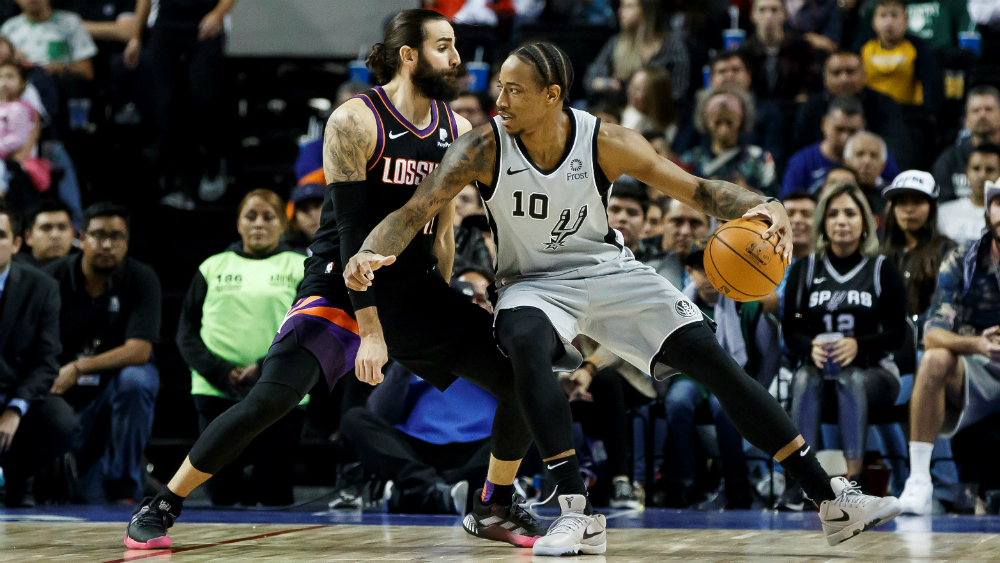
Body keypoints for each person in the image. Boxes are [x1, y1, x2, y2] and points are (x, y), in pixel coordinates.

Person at [346, 41, 901, 554]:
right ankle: (575, 509)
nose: (500, 98)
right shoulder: (482, 146)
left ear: (552, 95)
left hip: (608, 270)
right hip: (531, 283)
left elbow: (701, 192)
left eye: (515, 89)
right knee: (522, 341)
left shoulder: (604, 141)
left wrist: (766, 203)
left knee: (713, 361)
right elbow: (413, 210)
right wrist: (371, 252)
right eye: (500, 87)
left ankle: (829, 498)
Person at [124, 10, 548, 550]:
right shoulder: (355, 120)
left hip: (411, 291)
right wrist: (370, 330)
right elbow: (352, 237)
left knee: (522, 380)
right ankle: (165, 501)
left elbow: (443, 228)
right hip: (340, 285)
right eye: (444, 46)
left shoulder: (456, 129)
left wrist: (438, 306)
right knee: (269, 401)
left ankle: (494, 503)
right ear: (409, 56)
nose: (458, 58)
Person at [177, 190, 307, 507]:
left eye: (268, 217)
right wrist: (221, 374)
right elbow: (186, 332)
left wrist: (264, 368)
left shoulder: (301, 266)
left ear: (283, 224)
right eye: (251, 217)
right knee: (222, 497)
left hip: (280, 390)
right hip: (216, 391)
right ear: (238, 223)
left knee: (274, 494)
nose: (258, 224)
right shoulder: (213, 267)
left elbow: (309, 328)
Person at [782, 183, 907, 493]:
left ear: (865, 222)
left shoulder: (882, 268)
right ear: (822, 223)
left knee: (850, 378)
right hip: (819, 371)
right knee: (802, 380)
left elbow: (898, 333)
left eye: (850, 213)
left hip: (876, 371)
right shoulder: (804, 268)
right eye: (833, 213)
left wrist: (858, 345)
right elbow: (790, 329)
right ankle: (800, 483)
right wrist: (810, 347)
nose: (841, 220)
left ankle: (854, 483)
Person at [44, 202, 162, 504]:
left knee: (138, 379)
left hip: (111, 394)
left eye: (117, 236)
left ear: (127, 241)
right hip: (63, 397)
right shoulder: (51, 279)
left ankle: (125, 485)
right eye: (98, 235)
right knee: (81, 502)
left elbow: (139, 350)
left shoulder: (141, 278)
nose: (107, 244)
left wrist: (79, 367)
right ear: (81, 238)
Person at [898, 181, 1000, 516]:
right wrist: (979, 344)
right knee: (933, 359)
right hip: (976, 367)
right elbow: (932, 334)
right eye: (997, 203)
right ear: (987, 212)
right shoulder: (963, 257)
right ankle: (919, 481)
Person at [662, 240, 774, 509]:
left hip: (732, 377)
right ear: (690, 273)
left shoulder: (746, 305)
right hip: (690, 376)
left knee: (724, 406)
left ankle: (737, 485)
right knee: (677, 402)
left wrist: (759, 389)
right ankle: (688, 483)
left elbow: (770, 352)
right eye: (702, 269)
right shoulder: (676, 307)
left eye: (716, 268)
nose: (709, 276)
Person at [0, 200, 76, 507]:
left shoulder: (41, 287)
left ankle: (19, 479)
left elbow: (46, 361)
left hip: (15, 393)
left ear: (17, 243)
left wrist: (15, 409)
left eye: (0, 235)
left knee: (62, 421)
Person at [128, 0, 236, 209]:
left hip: (204, 21)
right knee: (167, 105)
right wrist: (135, 36)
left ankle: (213, 163)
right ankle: (178, 182)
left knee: (203, 99)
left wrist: (218, 14)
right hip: (167, 24)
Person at [792, 51, 912, 169]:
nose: (844, 79)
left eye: (850, 72)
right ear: (825, 78)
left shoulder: (884, 104)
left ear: (864, 75)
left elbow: (897, 149)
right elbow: (799, 147)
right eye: (836, 73)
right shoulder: (811, 106)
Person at [880, 171, 955, 331]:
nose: (909, 209)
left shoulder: (948, 251)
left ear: (934, 206)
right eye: (901, 202)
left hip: (930, 338)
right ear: (891, 208)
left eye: (917, 201)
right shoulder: (878, 252)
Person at [782, 96, 899, 197]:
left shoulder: (878, 156)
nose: (845, 137)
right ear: (825, 123)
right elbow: (787, 205)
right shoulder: (801, 162)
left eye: (852, 131)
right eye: (839, 129)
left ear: (863, 126)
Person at [584, 0, 690, 104]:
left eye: (628, 6)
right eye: (621, 6)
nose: (620, 11)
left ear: (645, 10)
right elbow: (589, 79)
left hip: (659, 115)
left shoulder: (672, 48)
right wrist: (608, 83)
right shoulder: (616, 43)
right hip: (620, 113)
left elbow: (678, 93)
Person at [679, 86, 776, 196]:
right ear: (706, 122)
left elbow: (773, 199)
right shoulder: (691, 160)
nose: (724, 130)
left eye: (729, 122)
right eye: (718, 122)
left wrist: (748, 192)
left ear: (741, 121)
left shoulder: (759, 158)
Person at [707, 50, 786, 173]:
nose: (729, 76)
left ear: (748, 76)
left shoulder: (768, 111)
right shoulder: (698, 112)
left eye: (736, 70)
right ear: (711, 80)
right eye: (722, 71)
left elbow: (776, 157)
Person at [860, 0, 942, 111]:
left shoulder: (918, 47)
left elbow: (930, 85)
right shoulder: (862, 48)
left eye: (894, 15)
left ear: (906, 21)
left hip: (908, 114)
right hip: (871, 113)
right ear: (874, 21)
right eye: (883, 15)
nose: (889, 22)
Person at [740, 0, 822, 102]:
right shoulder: (744, 52)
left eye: (774, 10)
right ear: (752, 15)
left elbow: (810, 88)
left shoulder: (801, 50)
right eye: (762, 10)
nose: (768, 16)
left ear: (785, 14)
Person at [932, 86, 1000, 202]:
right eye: (976, 110)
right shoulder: (949, 161)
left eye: (988, 109)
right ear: (966, 120)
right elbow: (944, 207)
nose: (982, 115)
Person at [0, 0, 96, 82]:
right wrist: (13, 61)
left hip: (60, 87)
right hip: (20, 90)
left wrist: (63, 68)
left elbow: (87, 72)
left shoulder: (70, 22)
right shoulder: (9, 28)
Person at [638, 198, 710, 289]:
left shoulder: (722, 272)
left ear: (709, 227)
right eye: (677, 221)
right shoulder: (638, 267)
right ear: (662, 223)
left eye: (695, 223)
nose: (685, 231)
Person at [938, 144, 1000, 244]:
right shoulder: (943, 214)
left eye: (990, 169)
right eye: (976, 168)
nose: (982, 175)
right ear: (966, 172)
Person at [15, 198, 76, 268]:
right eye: (46, 228)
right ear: (29, 237)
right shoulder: (16, 273)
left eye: (62, 228)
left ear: (73, 234)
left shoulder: (83, 271)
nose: (55, 235)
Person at [620, 66, 677, 140]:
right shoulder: (630, 115)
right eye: (631, 86)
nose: (630, 92)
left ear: (656, 94)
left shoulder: (672, 129)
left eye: (638, 89)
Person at [843, 131, 891, 217]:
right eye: (860, 154)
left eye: (874, 155)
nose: (867, 161)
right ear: (846, 161)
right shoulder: (830, 192)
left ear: (883, 165)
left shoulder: (891, 196)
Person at [281, 183, 324, 254]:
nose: (312, 214)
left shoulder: (347, 245)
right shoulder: (289, 256)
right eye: (304, 209)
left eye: (317, 206)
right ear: (295, 220)